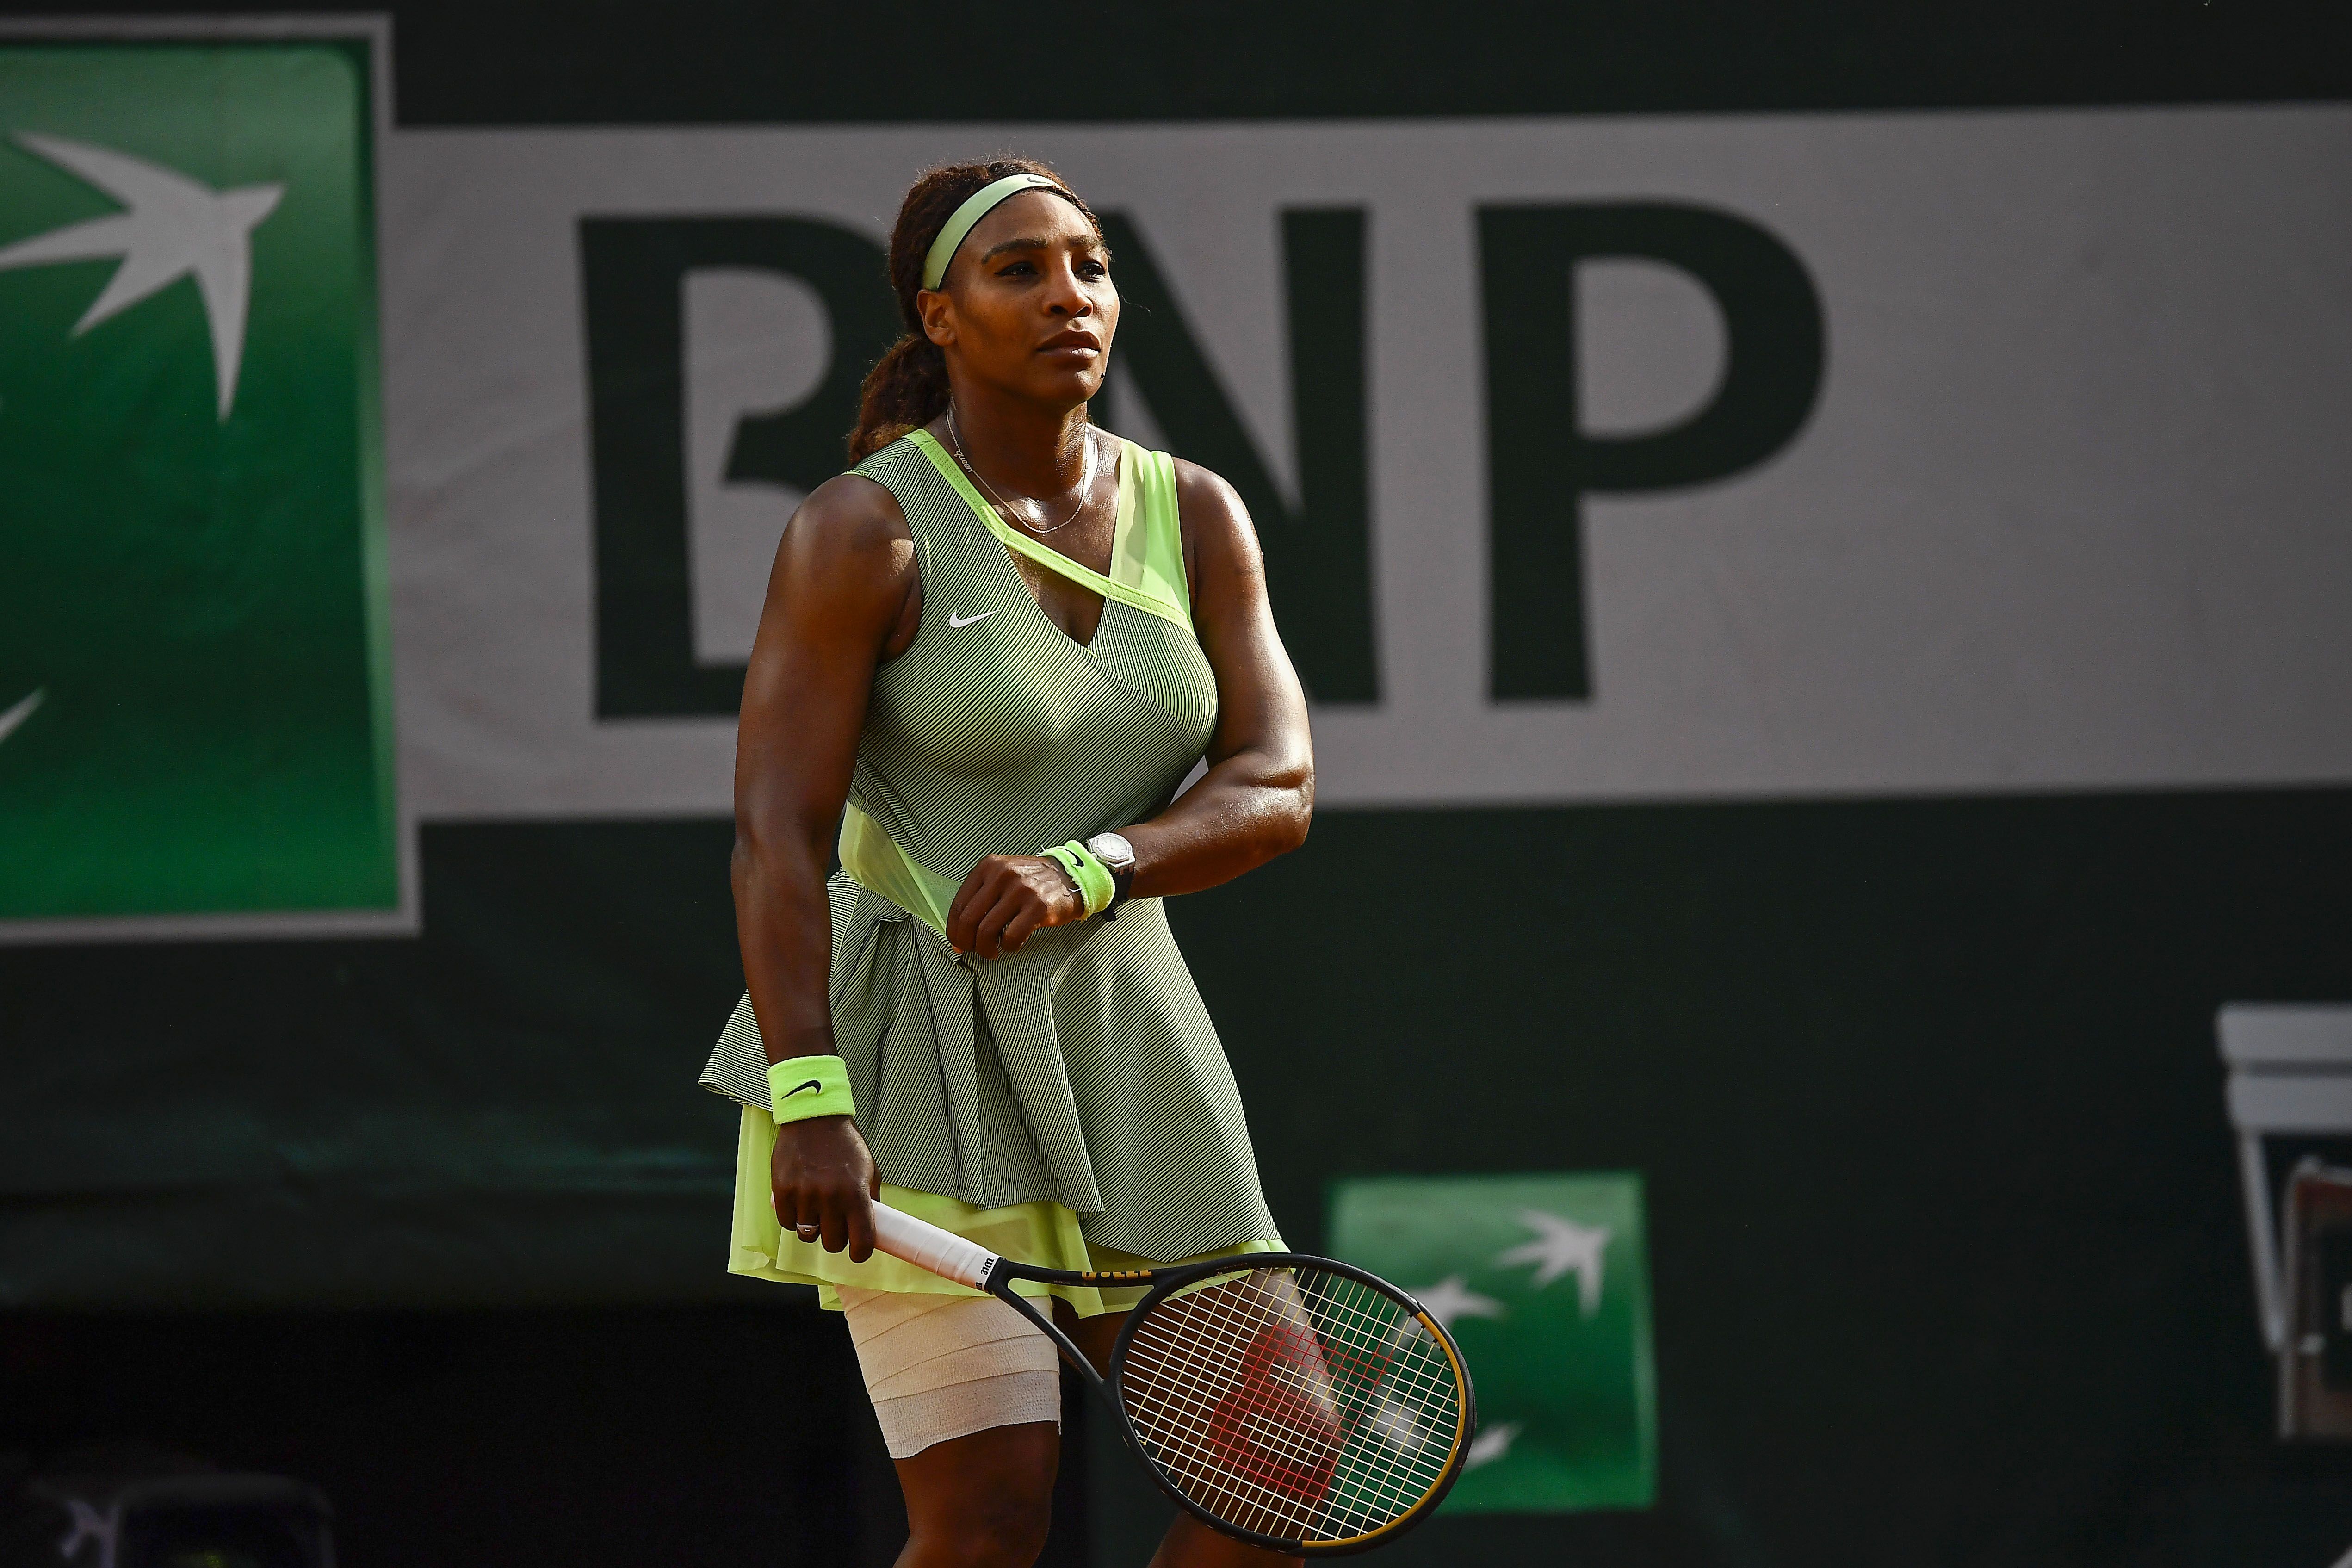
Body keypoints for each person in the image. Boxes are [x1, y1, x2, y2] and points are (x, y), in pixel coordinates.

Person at [698, 157, 1315, 1568]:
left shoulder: (1199, 514)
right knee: (983, 1522)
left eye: (1089, 266)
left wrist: (1094, 864)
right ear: (942, 317)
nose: (1067, 298)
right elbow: (774, 838)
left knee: (1283, 1475)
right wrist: (807, 1098)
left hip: (1124, 1035)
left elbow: (1274, 787)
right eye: (1018, 270)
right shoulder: (859, 531)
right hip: (906, 1053)